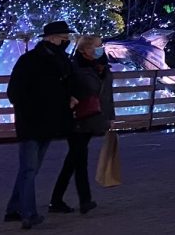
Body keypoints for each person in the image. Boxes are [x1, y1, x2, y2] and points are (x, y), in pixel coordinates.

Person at [5, 20, 75, 229]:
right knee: (29, 169)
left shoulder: (58, 60)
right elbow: (15, 92)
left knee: (29, 169)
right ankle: (28, 214)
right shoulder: (32, 61)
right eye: (64, 38)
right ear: (52, 38)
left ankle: (14, 209)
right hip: (34, 122)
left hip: (42, 122)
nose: (67, 41)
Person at [49, 34, 114, 215]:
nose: (101, 48)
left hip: (93, 118)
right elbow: (68, 91)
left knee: (73, 161)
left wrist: (109, 117)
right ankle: (84, 200)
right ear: (85, 49)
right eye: (97, 45)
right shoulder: (75, 68)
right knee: (80, 160)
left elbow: (107, 96)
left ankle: (56, 200)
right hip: (78, 120)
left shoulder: (102, 66)